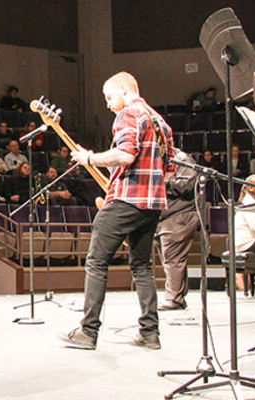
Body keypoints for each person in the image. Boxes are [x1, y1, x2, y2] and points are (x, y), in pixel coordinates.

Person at [60, 71, 175, 350]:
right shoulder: (161, 123)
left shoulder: (128, 115)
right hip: (153, 205)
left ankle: (88, 332)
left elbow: (125, 154)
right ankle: (150, 333)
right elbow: (169, 171)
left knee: (96, 261)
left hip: (126, 200)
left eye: (109, 97)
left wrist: (90, 158)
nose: (108, 104)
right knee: (143, 267)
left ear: (124, 90)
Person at [154, 149, 199, 311]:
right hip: (164, 216)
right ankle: (177, 297)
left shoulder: (181, 159)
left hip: (179, 215)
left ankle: (173, 298)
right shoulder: (158, 160)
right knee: (171, 259)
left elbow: (187, 185)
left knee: (172, 258)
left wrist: (160, 182)